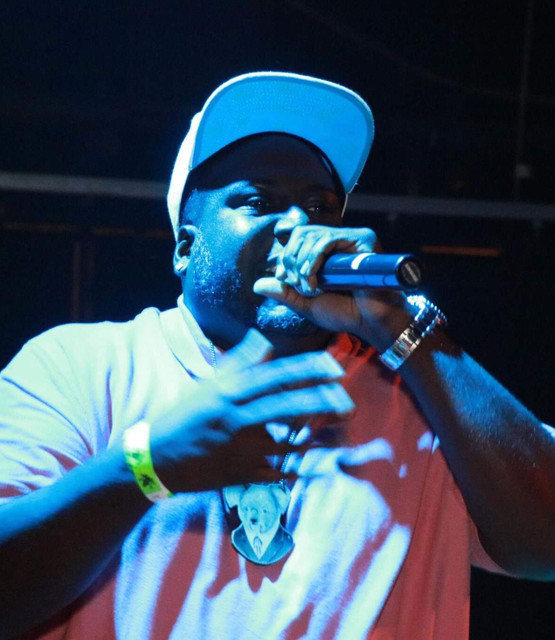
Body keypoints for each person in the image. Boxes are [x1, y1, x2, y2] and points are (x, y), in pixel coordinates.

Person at [0, 71, 553, 640]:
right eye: (259, 201)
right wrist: (147, 466)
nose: (298, 225)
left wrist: (403, 328)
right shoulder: (80, 367)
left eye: (320, 206)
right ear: (187, 247)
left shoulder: (421, 391)